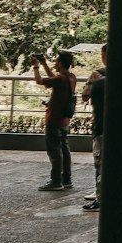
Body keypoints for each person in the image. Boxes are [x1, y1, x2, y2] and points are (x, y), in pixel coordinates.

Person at [31, 50, 77, 192]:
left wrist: (36, 66)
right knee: (64, 149)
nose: (55, 63)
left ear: (61, 64)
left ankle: (56, 181)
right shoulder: (71, 77)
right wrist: (44, 63)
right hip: (64, 119)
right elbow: (54, 79)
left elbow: (39, 81)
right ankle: (66, 179)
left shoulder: (61, 79)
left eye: (56, 61)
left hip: (54, 119)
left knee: (54, 151)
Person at [82, 44, 107, 211]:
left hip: (100, 126)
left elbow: (84, 96)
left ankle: (100, 199)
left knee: (100, 164)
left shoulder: (98, 77)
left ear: (104, 56)